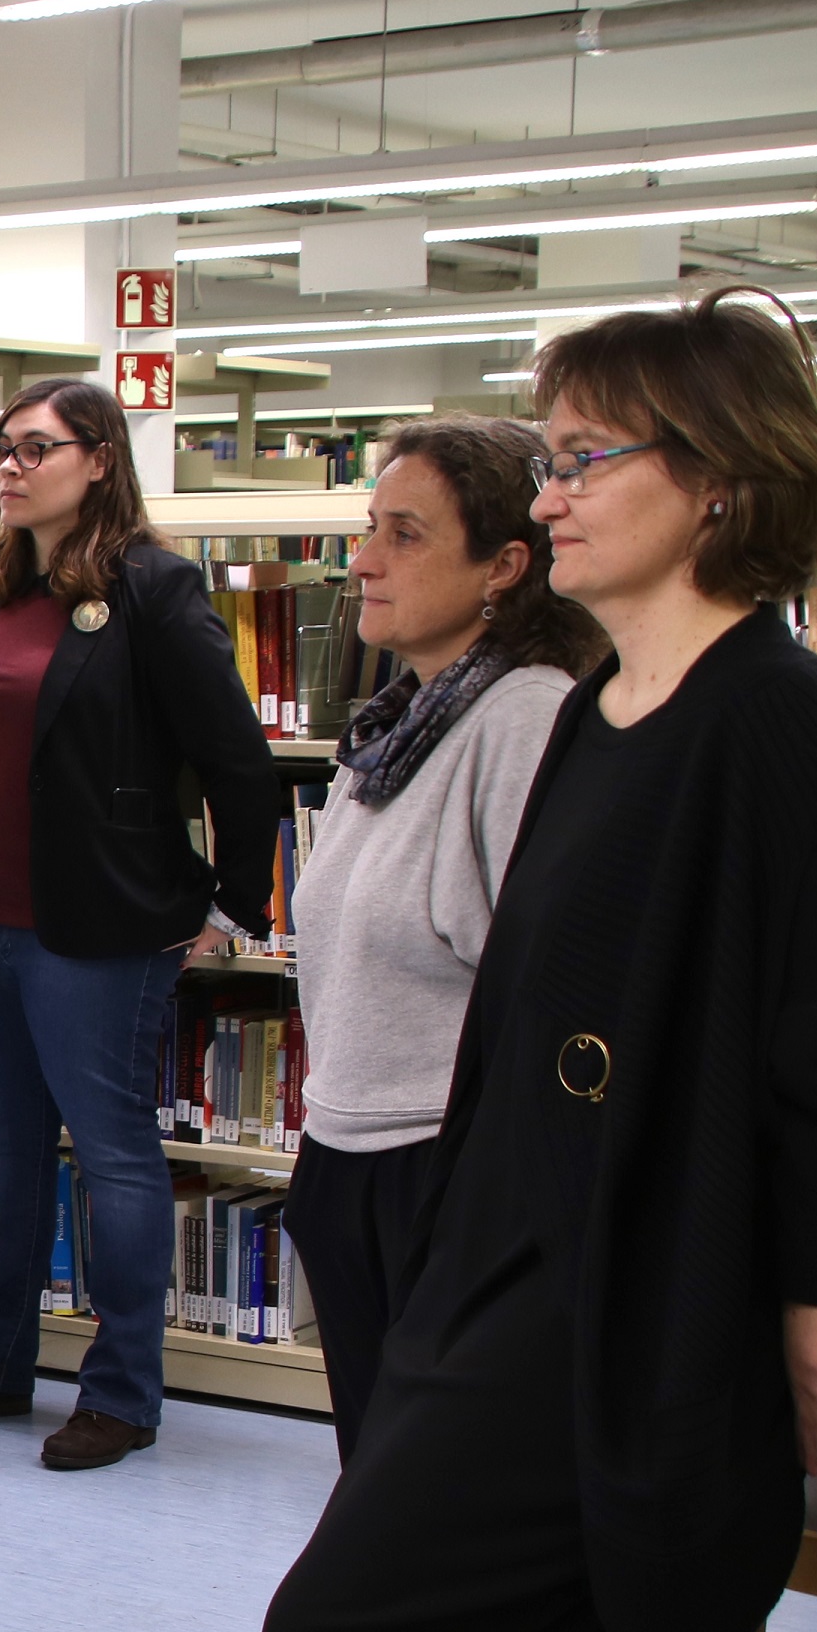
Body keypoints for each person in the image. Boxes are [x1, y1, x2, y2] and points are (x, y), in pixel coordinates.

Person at [251, 292, 817, 1632]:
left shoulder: (781, 729)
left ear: (719, 480)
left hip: (618, 1304)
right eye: (546, 462)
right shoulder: (606, 711)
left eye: (583, 459)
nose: (548, 497)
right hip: (493, 1270)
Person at [0, 375, 283, 1472]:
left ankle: (121, 1394)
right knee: (5, 1144)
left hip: (97, 922)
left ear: (101, 459)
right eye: (0, 453)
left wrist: (231, 905)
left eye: (36, 449)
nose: (11, 469)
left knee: (112, 1153)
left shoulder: (153, 587)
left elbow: (238, 761)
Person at [285, 417, 601, 1457]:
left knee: (431, 1491)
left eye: (406, 534)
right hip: (348, 1155)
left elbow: (547, 987)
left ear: (504, 566)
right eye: (370, 527)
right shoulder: (397, 724)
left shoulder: (524, 719)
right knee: (375, 1469)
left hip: (441, 1174)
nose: (363, 562)